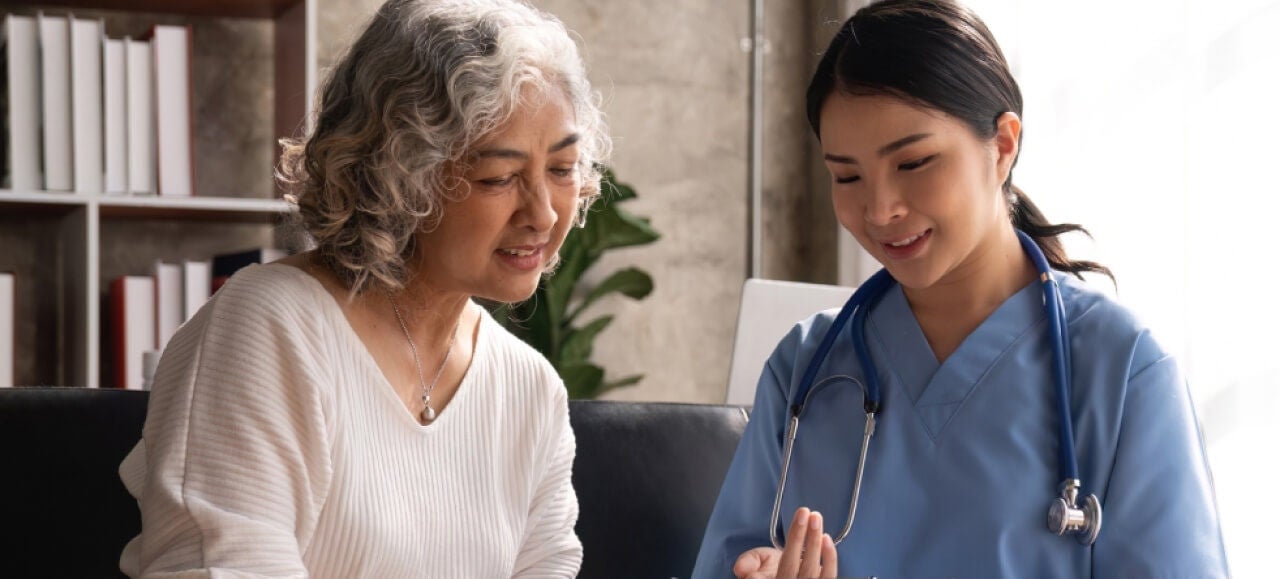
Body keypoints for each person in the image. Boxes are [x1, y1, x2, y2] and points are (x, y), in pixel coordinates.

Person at [692, 0, 1228, 577]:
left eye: (915, 162)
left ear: (1002, 145)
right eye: (846, 176)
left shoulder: (1122, 373)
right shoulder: (805, 369)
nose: (880, 208)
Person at [117, 0, 610, 576]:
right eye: (497, 178)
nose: (544, 215)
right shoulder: (270, 328)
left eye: (563, 169)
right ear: (399, 175)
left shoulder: (530, 390)